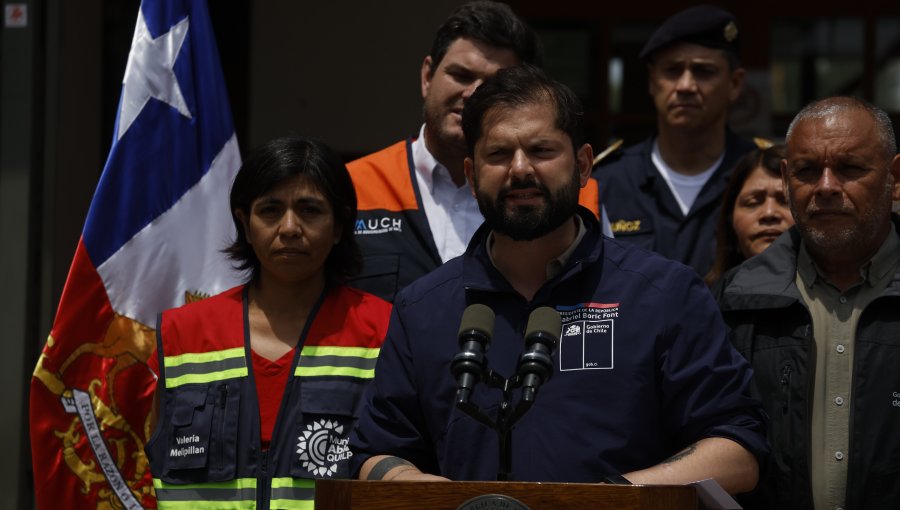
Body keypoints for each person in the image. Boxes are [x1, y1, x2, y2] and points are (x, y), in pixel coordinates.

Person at [350, 64, 767, 494]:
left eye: (542, 150)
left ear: (584, 165)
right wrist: (445, 501)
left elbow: (736, 450)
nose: (520, 169)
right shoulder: (422, 308)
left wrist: (605, 500)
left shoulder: (665, 294)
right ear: (472, 178)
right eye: (498, 155)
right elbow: (375, 453)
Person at [145, 138, 392, 509]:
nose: (289, 227)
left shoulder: (384, 329)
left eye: (309, 210)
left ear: (339, 227)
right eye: (271, 210)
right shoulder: (182, 333)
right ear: (245, 223)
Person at [347, 0, 603, 302]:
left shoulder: (576, 193)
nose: (472, 94)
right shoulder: (352, 186)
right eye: (461, 75)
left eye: (495, 84)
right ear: (427, 76)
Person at [717, 97, 900, 509]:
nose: (827, 187)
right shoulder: (733, 302)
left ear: (896, 178)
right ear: (786, 179)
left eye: (851, 168)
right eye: (807, 171)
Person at [594, 5, 756, 277]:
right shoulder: (607, 181)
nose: (685, 86)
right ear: (652, 81)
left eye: (703, 72)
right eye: (672, 70)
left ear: (735, 84)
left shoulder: (760, 177)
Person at [705, 144, 792, 286]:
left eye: (786, 201)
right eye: (753, 203)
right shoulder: (708, 302)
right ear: (730, 218)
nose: (769, 213)